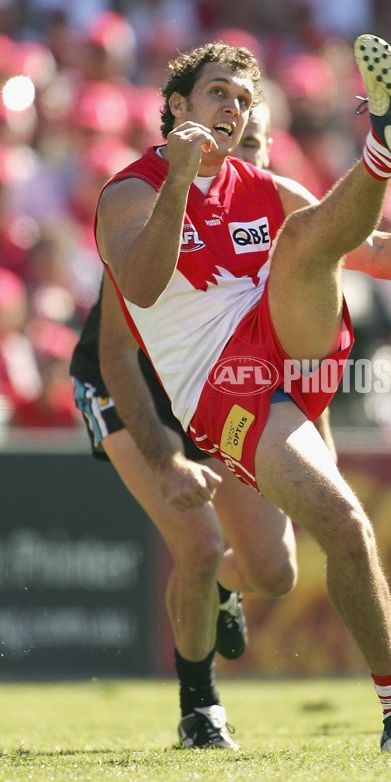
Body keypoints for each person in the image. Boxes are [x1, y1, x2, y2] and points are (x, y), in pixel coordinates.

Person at [95, 35, 391, 753]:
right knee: (312, 550)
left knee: (305, 240)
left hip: (291, 351)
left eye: (244, 98)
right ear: (177, 106)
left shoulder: (260, 185)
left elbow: (374, 251)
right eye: (218, 92)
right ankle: (381, 153)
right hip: (224, 388)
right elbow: (141, 287)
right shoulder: (129, 191)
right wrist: (182, 182)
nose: (234, 107)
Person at [70, 105, 304, 752]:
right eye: (238, 140)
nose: (246, 155)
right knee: (199, 545)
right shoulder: (154, 207)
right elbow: (119, 354)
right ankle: (200, 708)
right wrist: (168, 459)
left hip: (209, 390)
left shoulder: (271, 213)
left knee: (275, 573)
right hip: (128, 389)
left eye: (256, 143)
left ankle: (226, 589)